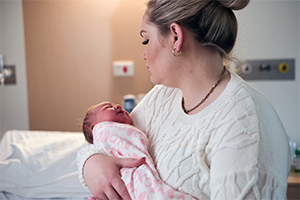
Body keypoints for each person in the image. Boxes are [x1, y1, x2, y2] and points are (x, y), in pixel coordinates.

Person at [77, 0, 292, 199]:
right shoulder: (163, 96)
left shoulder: (244, 129)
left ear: (175, 37)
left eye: (146, 39)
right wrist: (91, 163)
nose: (143, 54)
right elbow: (112, 139)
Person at [81, 102, 196, 200]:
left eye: (116, 104)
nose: (117, 106)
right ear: (95, 127)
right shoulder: (103, 132)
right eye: (108, 107)